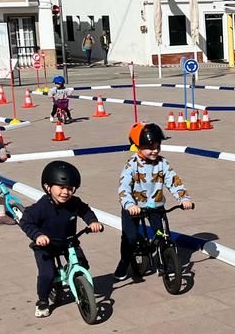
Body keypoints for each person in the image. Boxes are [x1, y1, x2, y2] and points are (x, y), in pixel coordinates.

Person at [19, 161, 104, 318]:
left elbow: (85, 211)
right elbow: (26, 221)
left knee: (82, 264)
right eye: (61, 187)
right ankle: (43, 300)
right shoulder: (42, 207)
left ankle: (76, 279)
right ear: (48, 187)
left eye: (70, 188)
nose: (65, 192)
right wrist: (37, 235)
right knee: (47, 274)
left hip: (69, 242)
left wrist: (92, 221)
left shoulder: (74, 202)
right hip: (46, 245)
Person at [115, 122, 194, 281]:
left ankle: (165, 260)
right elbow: (123, 186)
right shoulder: (132, 165)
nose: (154, 150)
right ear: (137, 146)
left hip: (156, 206)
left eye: (157, 146)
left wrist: (184, 198)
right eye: (149, 147)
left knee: (162, 234)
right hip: (134, 207)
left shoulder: (162, 163)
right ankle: (124, 263)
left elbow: (174, 181)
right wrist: (129, 204)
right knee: (129, 238)